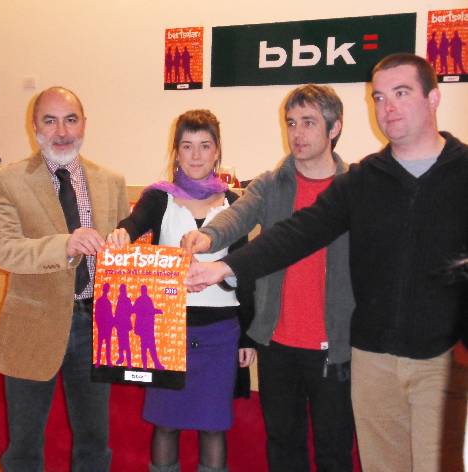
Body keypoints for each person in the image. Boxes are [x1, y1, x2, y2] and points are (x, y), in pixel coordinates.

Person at [184, 53, 468, 471]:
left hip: (436, 359)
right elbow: (296, 232)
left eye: (401, 93)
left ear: (433, 98)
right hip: (369, 357)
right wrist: (222, 264)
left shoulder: (458, 172)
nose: (387, 107)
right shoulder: (363, 180)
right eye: (379, 97)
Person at [182, 85, 355, 471]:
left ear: (335, 128)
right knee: (283, 446)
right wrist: (208, 236)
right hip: (277, 344)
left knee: (334, 451)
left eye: (308, 123)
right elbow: (236, 215)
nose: (297, 133)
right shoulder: (271, 184)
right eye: (291, 123)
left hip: (335, 347)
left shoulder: (354, 188)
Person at [0, 86, 129, 472]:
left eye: (71, 120)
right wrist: (65, 245)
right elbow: (4, 250)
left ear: (84, 124)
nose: (62, 131)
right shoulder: (8, 181)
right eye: (50, 121)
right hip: (32, 325)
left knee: (94, 444)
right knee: (24, 449)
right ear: (34, 127)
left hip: (96, 325)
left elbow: (125, 250)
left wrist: (128, 245)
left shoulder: (111, 181)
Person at [107, 109, 256, 472]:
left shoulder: (234, 204)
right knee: (165, 423)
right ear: (176, 152)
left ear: (217, 151)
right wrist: (122, 233)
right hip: (166, 331)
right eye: (187, 146)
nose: (196, 155)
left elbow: (247, 271)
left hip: (221, 332)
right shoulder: (159, 199)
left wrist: (247, 337)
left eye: (205, 145)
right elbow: (134, 223)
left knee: (213, 427)